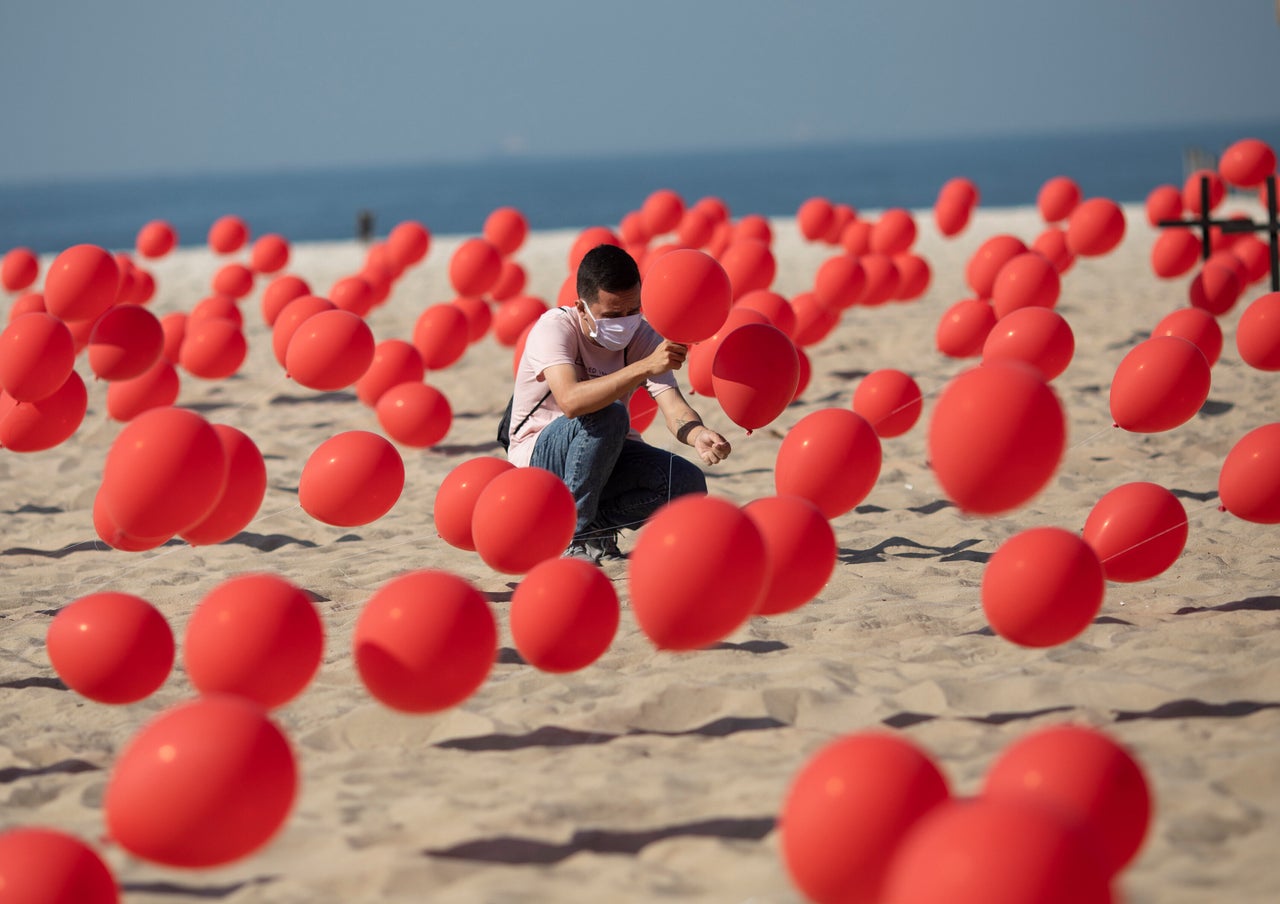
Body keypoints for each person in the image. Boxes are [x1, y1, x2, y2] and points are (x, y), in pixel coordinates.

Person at [506, 244, 732, 563]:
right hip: (540, 457)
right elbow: (570, 401)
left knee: (687, 482)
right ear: (582, 308)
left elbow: (673, 407)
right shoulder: (555, 327)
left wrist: (698, 435)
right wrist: (642, 367)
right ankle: (576, 536)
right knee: (610, 414)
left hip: (606, 455)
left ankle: (597, 529)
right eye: (613, 315)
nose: (625, 323)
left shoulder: (642, 336)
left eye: (633, 311)